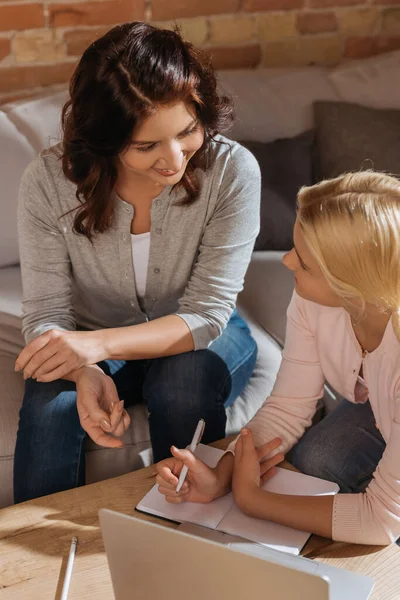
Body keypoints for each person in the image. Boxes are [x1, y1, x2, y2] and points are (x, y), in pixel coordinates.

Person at [13, 22, 260, 503]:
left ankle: (186, 531)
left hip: (201, 331)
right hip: (92, 332)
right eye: (146, 146)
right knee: (51, 406)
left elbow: (207, 315)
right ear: (103, 140)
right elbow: (46, 315)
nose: (174, 160)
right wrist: (84, 369)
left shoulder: (232, 171)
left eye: (188, 131)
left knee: (185, 381)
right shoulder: (47, 181)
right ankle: (31, 564)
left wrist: (93, 346)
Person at [156, 170, 400, 546]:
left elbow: (380, 521)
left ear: (353, 285)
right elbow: (288, 405)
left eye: (303, 262)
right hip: (382, 405)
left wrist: (254, 500)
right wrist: (222, 475)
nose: (287, 262)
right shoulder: (315, 300)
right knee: (316, 460)